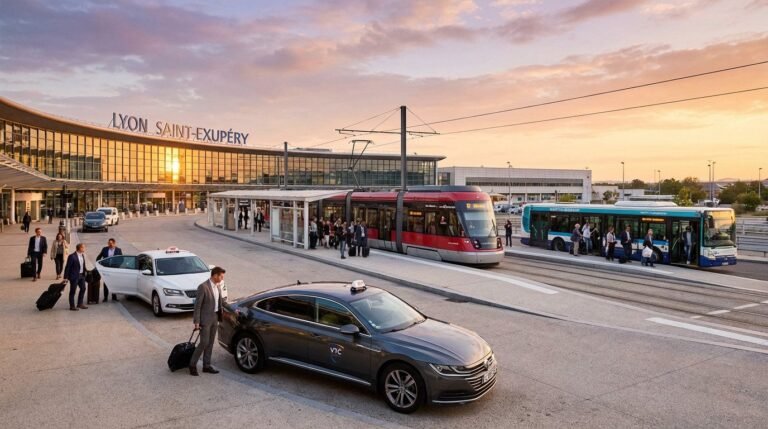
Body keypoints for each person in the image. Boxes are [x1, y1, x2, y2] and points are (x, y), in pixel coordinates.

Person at [189, 266, 226, 376]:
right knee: (204, 342)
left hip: (215, 318)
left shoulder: (218, 287)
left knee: (210, 343)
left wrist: (234, 308)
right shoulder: (203, 287)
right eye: (221, 276)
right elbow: (198, 305)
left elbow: (221, 302)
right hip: (205, 319)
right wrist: (196, 321)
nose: (222, 279)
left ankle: (206, 365)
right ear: (215, 275)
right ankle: (192, 364)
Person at [63, 243, 89, 311]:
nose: (84, 248)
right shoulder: (72, 256)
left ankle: (80, 304)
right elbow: (67, 267)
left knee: (83, 288)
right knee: (73, 291)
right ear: (79, 248)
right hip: (74, 276)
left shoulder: (82, 255)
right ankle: (72, 306)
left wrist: (86, 271)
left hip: (81, 276)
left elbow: (83, 265)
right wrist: (65, 277)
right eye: (83, 247)